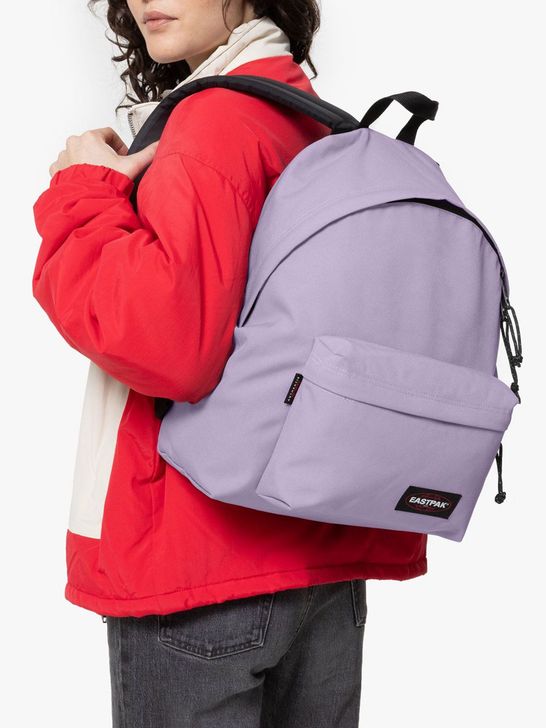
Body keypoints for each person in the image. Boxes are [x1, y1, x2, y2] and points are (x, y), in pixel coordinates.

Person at [31, 1, 427, 725]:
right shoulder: (306, 117)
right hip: (321, 561)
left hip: (201, 569)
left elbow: (164, 345)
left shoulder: (213, 121)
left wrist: (81, 191)